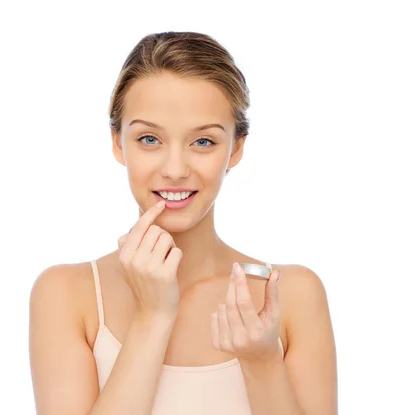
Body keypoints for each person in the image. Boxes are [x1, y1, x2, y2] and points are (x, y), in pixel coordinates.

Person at [29, 31, 337, 415]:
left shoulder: (291, 296)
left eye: (203, 142)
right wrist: (153, 317)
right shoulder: (66, 295)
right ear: (117, 143)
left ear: (236, 148)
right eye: (149, 139)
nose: (175, 170)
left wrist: (262, 362)